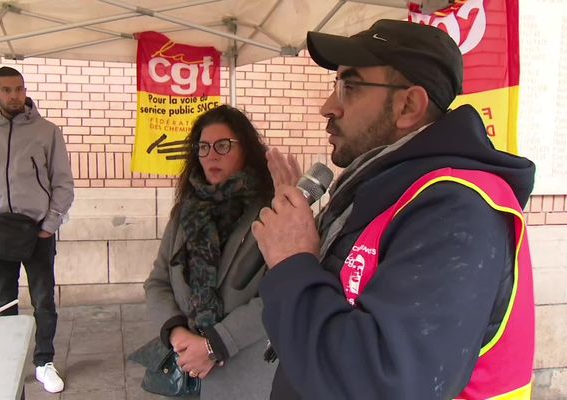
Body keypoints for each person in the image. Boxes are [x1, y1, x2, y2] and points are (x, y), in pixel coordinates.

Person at [252, 20, 536, 399]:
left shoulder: (456, 209)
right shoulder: (386, 192)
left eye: (349, 87)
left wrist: (292, 262)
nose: (327, 107)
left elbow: (385, 383)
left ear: (408, 106)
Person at [144, 104, 277, 399]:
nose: (211, 155)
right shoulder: (185, 212)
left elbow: (278, 295)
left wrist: (215, 344)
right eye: (203, 147)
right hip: (185, 366)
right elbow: (157, 282)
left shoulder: (271, 212)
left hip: (243, 371)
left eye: (223, 145)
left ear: (246, 150)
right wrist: (178, 335)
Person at [0, 67, 74, 394]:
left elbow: (63, 184)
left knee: (43, 300)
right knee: (3, 301)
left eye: (19, 89)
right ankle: (9, 359)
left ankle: (44, 362)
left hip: (38, 233)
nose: (15, 96)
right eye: (7, 90)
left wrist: (49, 225)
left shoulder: (47, 132)